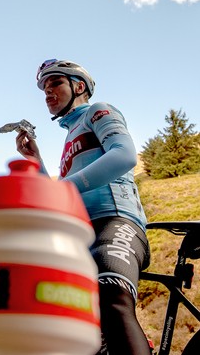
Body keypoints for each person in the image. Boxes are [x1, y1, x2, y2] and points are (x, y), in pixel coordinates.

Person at [15, 59, 152, 355]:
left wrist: (66, 186)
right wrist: (36, 160)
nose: (47, 92)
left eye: (55, 84)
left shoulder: (98, 110)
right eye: (44, 88)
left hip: (115, 222)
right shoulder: (69, 137)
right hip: (81, 236)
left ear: (78, 86)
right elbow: (60, 194)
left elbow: (125, 155)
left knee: (111, 298)